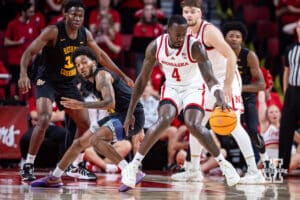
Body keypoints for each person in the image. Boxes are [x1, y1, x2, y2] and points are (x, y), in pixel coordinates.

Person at [120, 15, 240, 191]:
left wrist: (220, 97)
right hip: (172, 88)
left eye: (184, 34)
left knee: (193, 124)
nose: (181, 38)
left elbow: (210, 78)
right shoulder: (155, 46)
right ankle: (133, 166)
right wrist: (130, 112)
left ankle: (225, 166)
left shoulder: (195, 46)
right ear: (167, 31)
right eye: (177, 35)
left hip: (193, 87)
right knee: (164, 120)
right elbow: (142, 80)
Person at [18, 0, 133, 181]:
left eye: (80, 15)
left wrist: (122, 76)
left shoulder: (84, 34)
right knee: (45, 117)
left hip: (68, 83)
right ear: (65, 14)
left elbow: (101, 56)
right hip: (46, 80)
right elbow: (29, 52)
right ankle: (28, 164)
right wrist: (23, 74)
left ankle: (75, 165)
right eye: (73, 14)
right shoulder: (53, 31)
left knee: (85, 124)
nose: (77, 18)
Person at [171, 0, 265, 184]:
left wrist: (228, 85)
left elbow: (230, 55)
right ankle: (193, 169)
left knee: (233, 125)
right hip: (207, 81)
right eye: (186, 11)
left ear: (200, 14)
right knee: (196, 124)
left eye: (193, 11)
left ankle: (255, 171)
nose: (189, 15)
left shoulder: (209, 31)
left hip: (225, 79)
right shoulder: (186, 32)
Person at [30, 46, 145, 192]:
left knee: (96, 140)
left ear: (94, 63)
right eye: (77, 65)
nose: (81, 67)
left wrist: (81, 104)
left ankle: (131, 171)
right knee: (79, 143)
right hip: (118, 115)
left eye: (84, 62)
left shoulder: (102, 76)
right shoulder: (86, 82)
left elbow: (110, 103)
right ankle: (55, 177)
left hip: (131, 116)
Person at [222, 21, 267, 162]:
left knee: (253, 131)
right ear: (224, 38)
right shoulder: (218, 54)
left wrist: (237, 88)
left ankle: (265, 160)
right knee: (220, 130)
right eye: (231, 36)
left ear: (242, 39)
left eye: (238, 36)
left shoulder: (249, 56)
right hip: (227, 98)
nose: (234, 38)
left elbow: (261, 85)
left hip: (246, 98)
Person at [279, 18, 300, 173]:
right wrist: (286, 91)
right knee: (286, 129)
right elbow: (287, 71)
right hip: (292, 92)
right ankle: (283, 168)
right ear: (297, 30)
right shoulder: (290, 48)